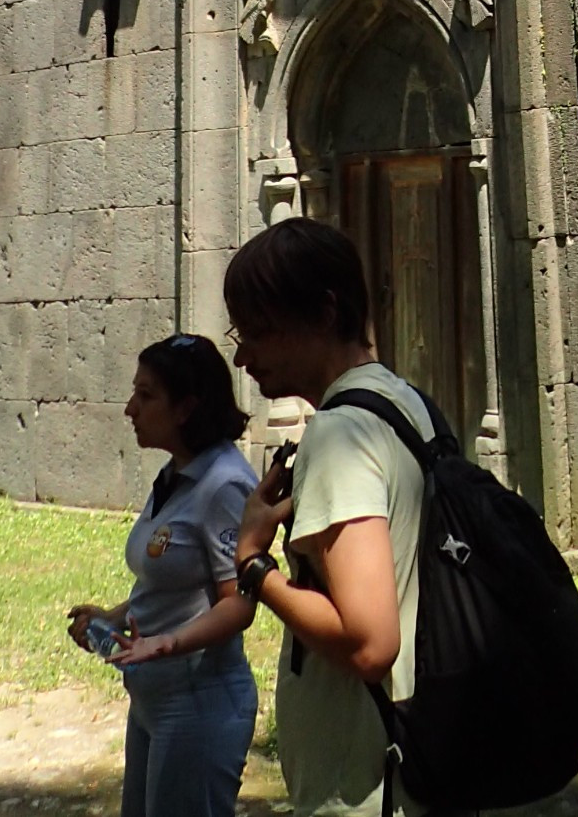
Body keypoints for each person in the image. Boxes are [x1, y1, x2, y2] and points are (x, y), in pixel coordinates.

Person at [223, 219, 436, 817]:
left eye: (259, 330)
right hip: (412, 752)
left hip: (365, 779)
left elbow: (369, 643)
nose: (242, 356)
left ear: (322, 313)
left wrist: (254, 564)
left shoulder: (339, 433)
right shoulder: (403, 402)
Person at [66, 334, 260, 817]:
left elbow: (239, 602)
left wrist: (166, 643)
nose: (130, 408)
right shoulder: (177, 473)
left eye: (146, 395)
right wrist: (112, 618)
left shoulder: (224, 485)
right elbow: (170, 580)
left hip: (198, 704)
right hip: (154, 699)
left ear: (186, 408)